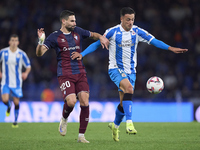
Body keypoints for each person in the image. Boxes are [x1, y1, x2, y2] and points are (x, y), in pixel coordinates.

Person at [71, 7, 188, 142]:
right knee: (130, 89)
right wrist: (82, 54)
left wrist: (171, 48)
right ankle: (130, 123)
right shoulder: (112, 32)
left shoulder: (137, 31)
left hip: (131, 71)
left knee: (123, 103)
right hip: (115, 69)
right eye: (128, 20)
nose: (130, 22)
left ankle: (115, 126)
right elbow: (97, 44)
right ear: (121, 19)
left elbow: (154, 41)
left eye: (132, 19)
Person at [36, 10, 109, 143]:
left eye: (75, 20)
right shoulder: (54, 37)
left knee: (85, 101)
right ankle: (64, 118)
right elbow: (40, 54)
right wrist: (40, 41)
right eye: (72, 21)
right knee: (71, 102)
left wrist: (101, 37)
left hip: (80, 72)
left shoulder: (78, 31)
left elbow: (93, 34)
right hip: (65, 74)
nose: (75, 23)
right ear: (63, 21)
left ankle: (81, 136)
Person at [0, 34, 31, 128]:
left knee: (16, 102)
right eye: (12, 40)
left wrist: (26, 73)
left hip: (17, 82)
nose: (14, 42)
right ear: (9, 42)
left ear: (18, 42)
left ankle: (15, 121)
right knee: (4, 99)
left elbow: (28, 66)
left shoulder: (21, 54)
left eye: (15, 41)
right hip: (5, 81)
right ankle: (8, 106)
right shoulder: (3, 52)